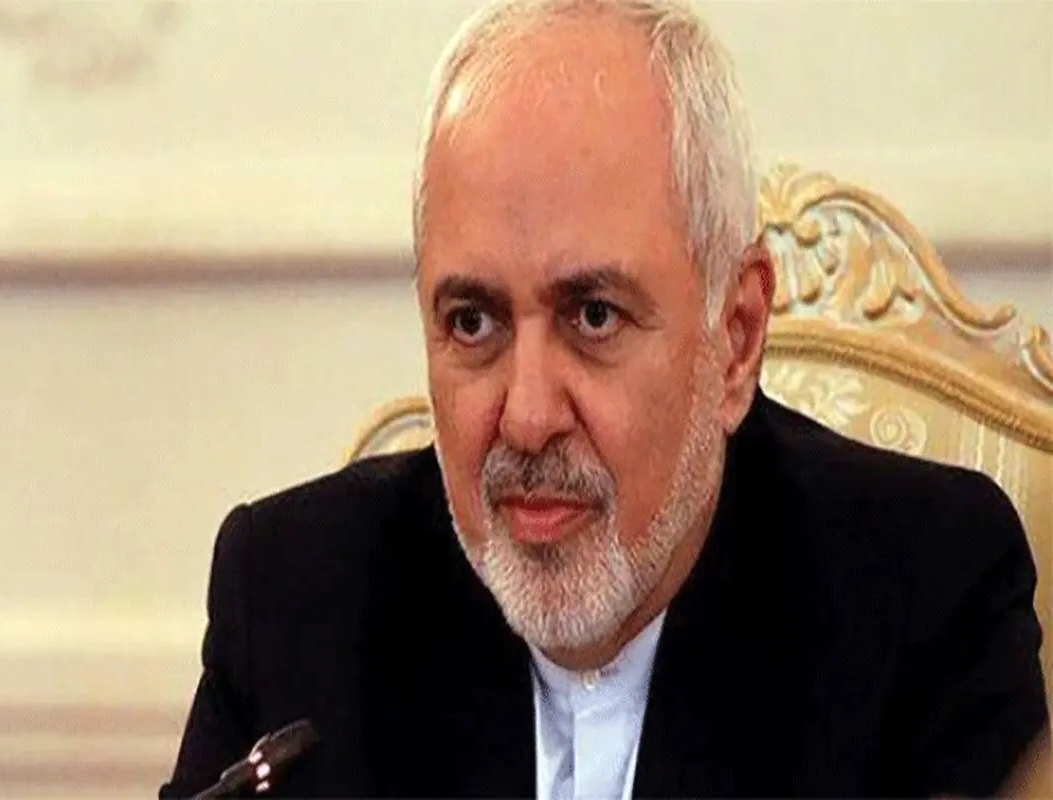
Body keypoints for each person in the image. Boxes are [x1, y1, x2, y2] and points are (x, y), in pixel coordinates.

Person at [161, 0, 1049, 796]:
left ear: (737, 337)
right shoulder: (294, 596)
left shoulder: (921, 595)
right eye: (473, 322)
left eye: (593, 316)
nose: (527, 417)